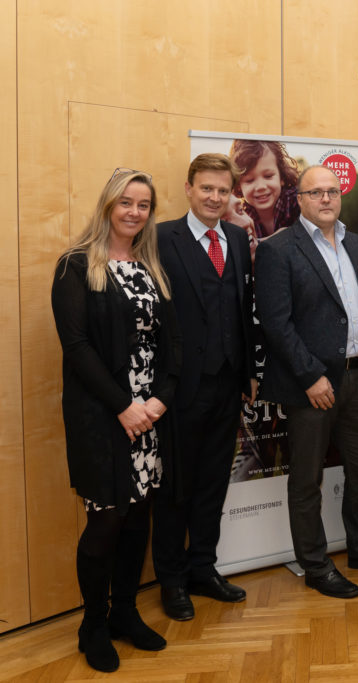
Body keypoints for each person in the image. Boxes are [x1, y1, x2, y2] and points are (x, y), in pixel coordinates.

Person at [255, 165, 358, 599]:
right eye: (315, 192)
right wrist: (310, 376)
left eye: (332, 191)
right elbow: (276, 324)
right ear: (298, 198)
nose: (326, 198)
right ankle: (316, 565)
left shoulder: (353, 242)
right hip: (312, 386)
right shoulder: (278, 249)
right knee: (307, 479)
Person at [51, 168, 180, 672]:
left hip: (149, 417)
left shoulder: (153, 267)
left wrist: (160, 400)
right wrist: (124, 405)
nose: (134, 212)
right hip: (104, 418)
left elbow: (173, 346)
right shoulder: (76, 265)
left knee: (138, 518)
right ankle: (93, 625)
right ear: (108, 204)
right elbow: (77, 347)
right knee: (106, 522)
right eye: (125, 202)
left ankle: (126, 613)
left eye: (143, 205)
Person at [152, 153, 256, 621]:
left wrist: (249, 372)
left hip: (227, 385)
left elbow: (241, 309)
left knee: (213, 483)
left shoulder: (235, 237)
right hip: (178, 390)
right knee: (176, 488)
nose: (216, 197)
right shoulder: (158, 239)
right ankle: (171, 581)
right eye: (207, 188)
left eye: (223, 190)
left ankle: (203, 569)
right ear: (189, 188)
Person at [229, 139, 301, 239]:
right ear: (239, 186)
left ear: (282, 177)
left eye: (268, 176)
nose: (261, 187)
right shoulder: (245, 215)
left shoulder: (297, 201)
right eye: (250, 180)